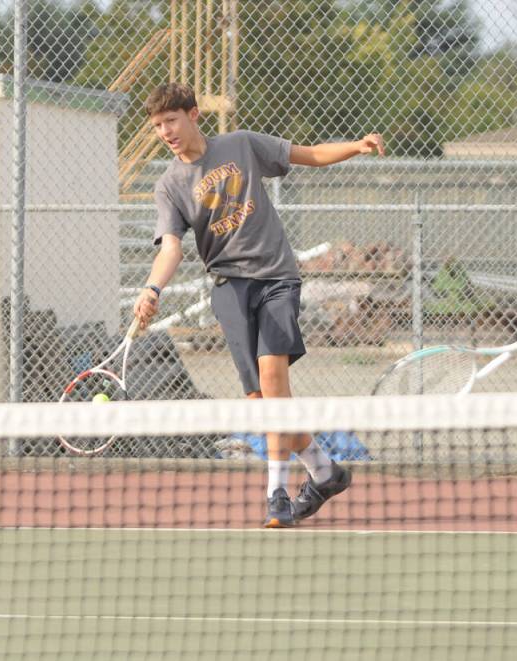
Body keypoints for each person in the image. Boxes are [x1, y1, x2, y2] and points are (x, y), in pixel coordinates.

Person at [132, 82, 385, 528]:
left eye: (171, 120)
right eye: (157, 126)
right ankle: (324, 472)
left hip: (275, 278)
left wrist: (356, 146)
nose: (165, 132)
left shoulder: (242, 145)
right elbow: (170, 247)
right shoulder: (169, 185)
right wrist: (152, 289)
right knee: (261, 400)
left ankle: (276, 494)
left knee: (272, 379)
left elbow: (309, 154)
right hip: (229, 288)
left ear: (193, 115)